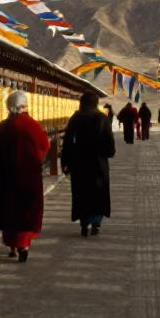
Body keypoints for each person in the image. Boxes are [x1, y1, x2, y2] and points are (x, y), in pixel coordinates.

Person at [0, 91, 50, 262]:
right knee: (27, 211)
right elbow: (45, 145)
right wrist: (36, 157)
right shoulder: (32, 125)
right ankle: (24, 246)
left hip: (7, 177)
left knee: (10, 210)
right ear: (25, 106)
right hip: (29, 177)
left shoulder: (3, 126)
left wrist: (2, 160)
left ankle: (13, 247)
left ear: (8, 107)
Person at [61, 91, 116, 236]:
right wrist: (108, 152)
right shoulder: (102, 118)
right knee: (99, 193)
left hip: (79, 163)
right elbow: (110, 143)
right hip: (98, 163)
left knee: (81, 193)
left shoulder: (76, 118)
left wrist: (65, 162)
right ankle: (96, 223)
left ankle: (84, 223)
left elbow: (67, 141)